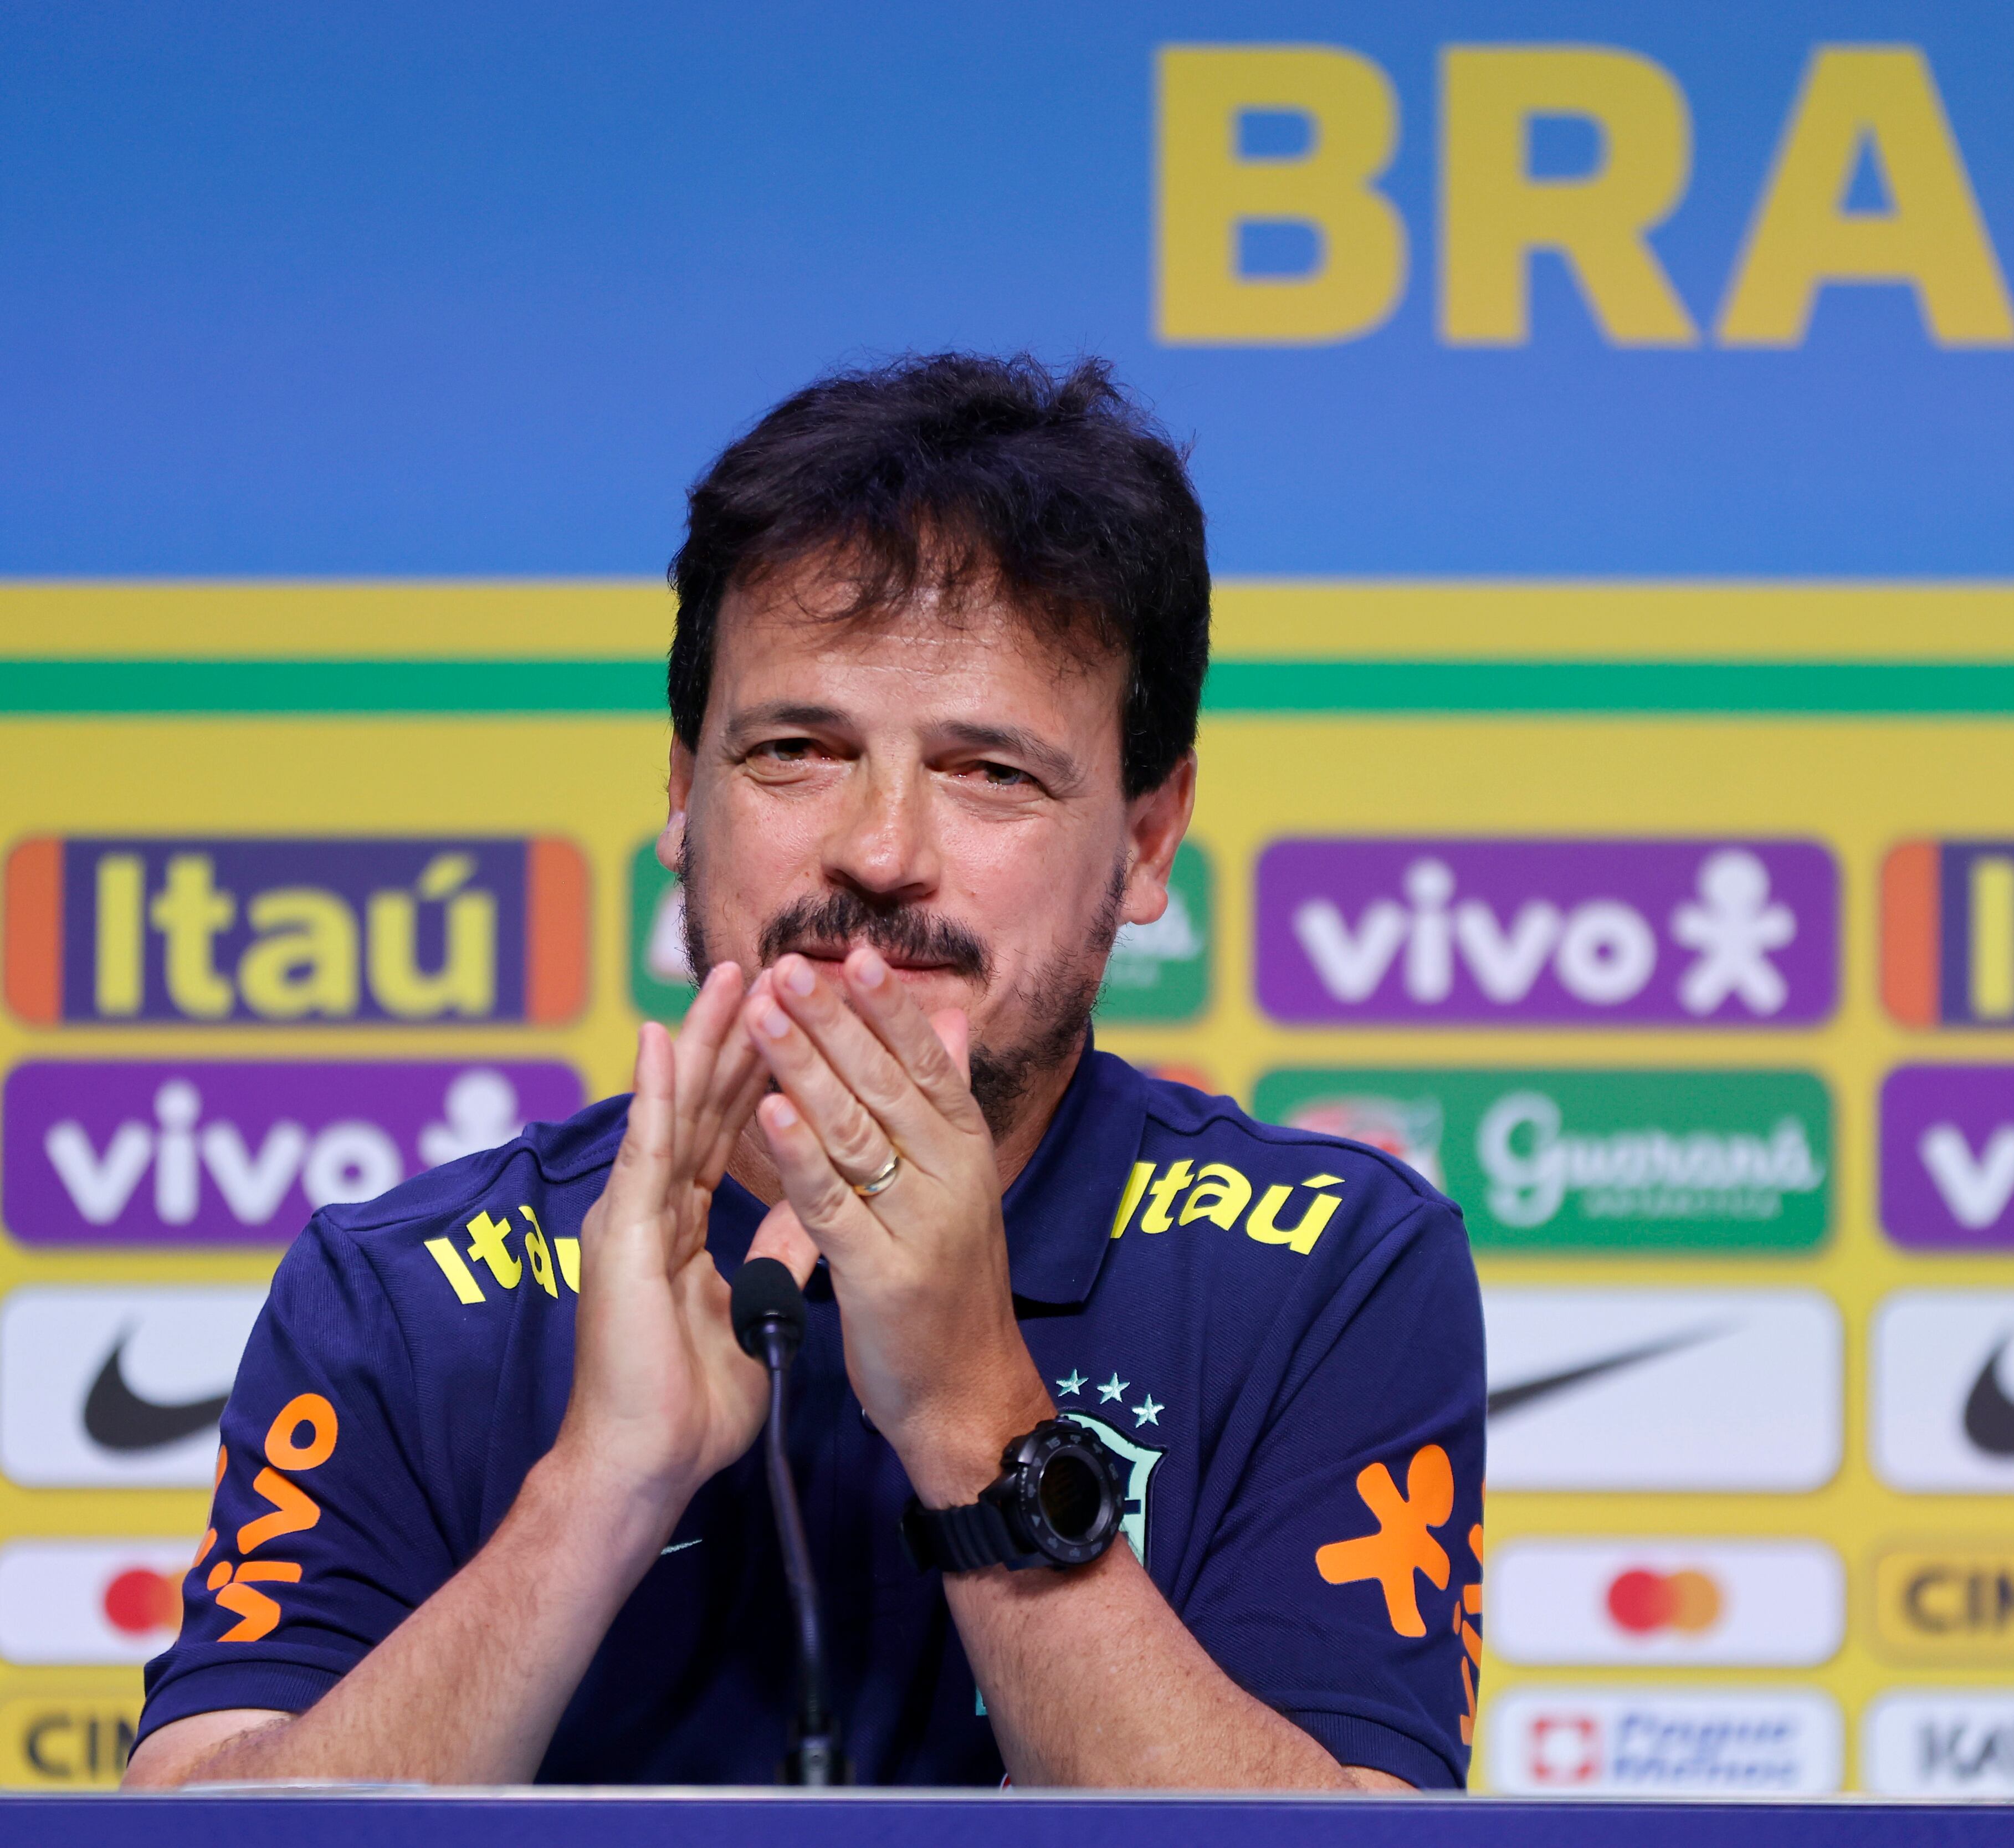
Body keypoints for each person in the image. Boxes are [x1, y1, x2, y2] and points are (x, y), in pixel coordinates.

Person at [124, 354, 1486, 1790]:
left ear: (1148, 841)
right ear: (681, 794)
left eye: (992, 773)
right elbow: (185, 1829)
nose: (881, 851)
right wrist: (596, 1490)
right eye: (797, 750)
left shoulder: (1331, 1273)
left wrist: (976, 1414)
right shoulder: (401, 1296)